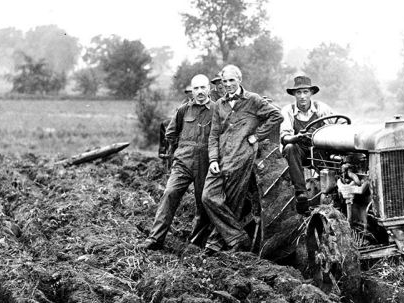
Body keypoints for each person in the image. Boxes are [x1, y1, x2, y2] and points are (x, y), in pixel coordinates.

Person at [201, 65, 283, 252]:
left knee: (231, 201)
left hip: (242, 156)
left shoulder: (253, 100)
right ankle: (238, 237)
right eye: (225, 81)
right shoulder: (219, 104)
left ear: (239, 80)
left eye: (231, 80)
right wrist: (213, 160)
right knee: (208, 197)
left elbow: (276, 116)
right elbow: (213, 135)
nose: (228, 84)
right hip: (221, 157)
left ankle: (215, 242)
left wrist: (257, 136)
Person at [139, 75, 215, 250]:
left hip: (206, 162)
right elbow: (170, 134)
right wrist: (179, 151)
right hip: (183, 162)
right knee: (170, 193)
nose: (200, 92)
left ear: (209, 89)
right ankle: (155, 238)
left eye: (203, 88)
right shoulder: (183, 111)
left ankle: (196, 242)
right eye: (196, 88)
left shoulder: (217, 110)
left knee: (202, 202)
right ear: (192, 91)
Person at [279, 75, 334, 214]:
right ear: (294, 94)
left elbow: (338, 124)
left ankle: (334, 190)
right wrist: (296, 137)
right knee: (290, 147)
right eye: (299, 92)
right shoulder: (288, 111)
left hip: (320, 149)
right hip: (300, 151)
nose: (302, 96)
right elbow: (284, 137)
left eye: (305, 92)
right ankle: (301, 193)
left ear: (311, 93)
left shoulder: (321, 108)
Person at [158, 85, 195, 168]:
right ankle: (163, 151)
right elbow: (177, 115)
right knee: (165, 126)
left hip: (191, 126)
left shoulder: (199, 102)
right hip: (181, 123)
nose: (190, 94)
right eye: (188, 92)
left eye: (191, 92)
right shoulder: (184, 102)